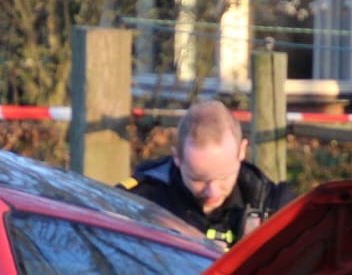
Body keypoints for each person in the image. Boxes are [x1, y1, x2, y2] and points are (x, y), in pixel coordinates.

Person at [123, 99, 290, 249]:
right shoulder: (137, 203)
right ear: (177, 158)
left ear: (242, 151)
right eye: (198, 179)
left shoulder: (273, 206)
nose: (213, 192)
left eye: (224, 177)